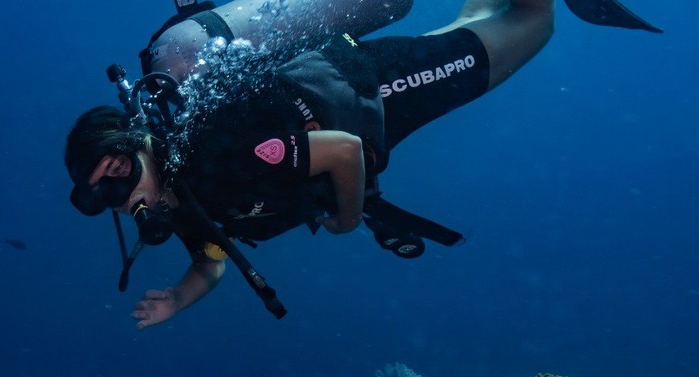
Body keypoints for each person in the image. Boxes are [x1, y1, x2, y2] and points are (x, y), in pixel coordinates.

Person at [65, 0, 660, 328]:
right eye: (100, 197)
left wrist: (349, 218)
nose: (119, 194)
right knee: (473, 26)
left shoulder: (213, 157)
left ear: (139, 140)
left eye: (116, 169)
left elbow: (344, 152)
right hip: (369, 109)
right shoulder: (184, 205)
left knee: (532, 24)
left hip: (379, 91)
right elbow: (212, 261)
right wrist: (177, 297)